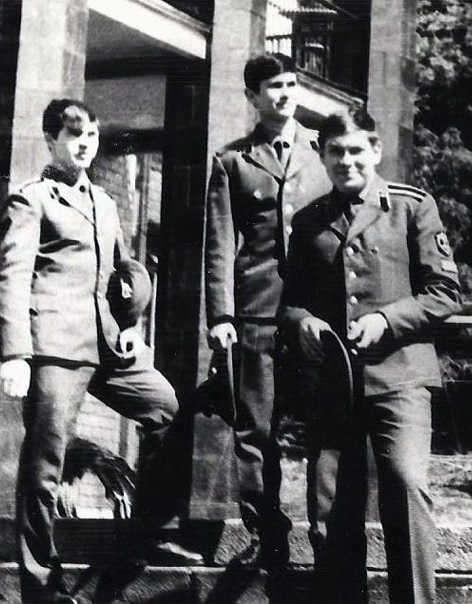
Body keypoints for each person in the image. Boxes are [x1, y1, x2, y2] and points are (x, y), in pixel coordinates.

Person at [0, 99, 201, 604]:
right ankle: (41, 587)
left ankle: (148, 535)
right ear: (51, 140)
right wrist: (16, 353)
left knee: (168, 409)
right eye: (74, 134)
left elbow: (127, 270)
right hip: (56, 346)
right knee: (45, 462)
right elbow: (11, 277)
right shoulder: (32, 200)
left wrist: (130, 322)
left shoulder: (104, 203)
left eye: (92, 135)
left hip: (106, 344)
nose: (85, 144)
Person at [278, 107, 463, 604]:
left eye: (356, 150)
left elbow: (445, 293)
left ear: (375, 151)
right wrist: (303, 322)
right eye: (335, 152)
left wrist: (386, 320)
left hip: (400, 378)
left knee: (405, 486)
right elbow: (290, 303)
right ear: (322, 156)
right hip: (334, 385)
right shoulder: (308, 221)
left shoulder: (411, 207)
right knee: (331, 507)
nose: (346, 161)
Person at [204, 52, 332, 568]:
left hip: (317, 314)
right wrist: (221, 316)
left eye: (290, 84)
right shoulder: (232, 160)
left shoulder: (323, 151)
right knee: (256, 430)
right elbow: (219, 245)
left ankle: (327, 536)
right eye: (273, 86)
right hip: (257, 311)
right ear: (252, 97)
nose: (284, 94)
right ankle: (266, 536)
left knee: (325, 426)